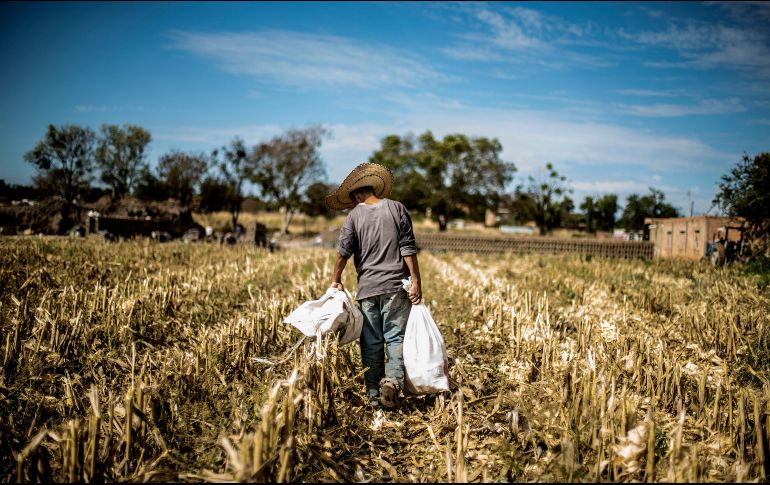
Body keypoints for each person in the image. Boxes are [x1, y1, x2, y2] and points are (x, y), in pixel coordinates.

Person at [325, 163, 422, 409]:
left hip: (368, 289)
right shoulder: (397, 209)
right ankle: (392, 382)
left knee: (372, 342)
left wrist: (336, 279)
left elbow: (343, 253)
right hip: (396, 287)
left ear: (358, 194)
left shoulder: (354, 216)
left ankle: (372, 394)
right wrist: (416, 280)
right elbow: (408, 248)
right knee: (396, 338)